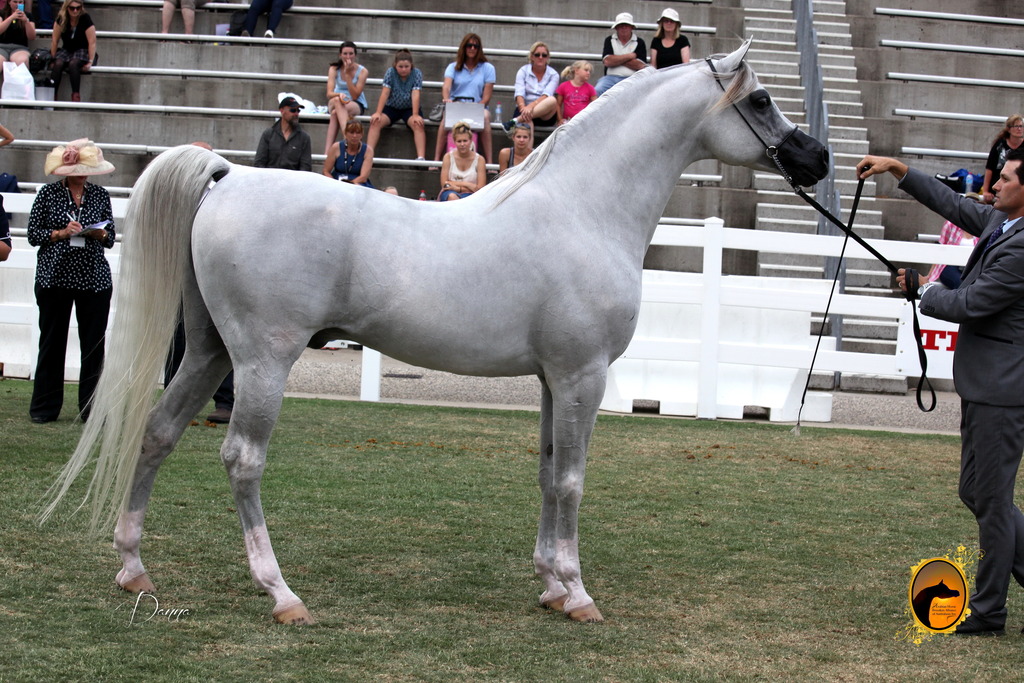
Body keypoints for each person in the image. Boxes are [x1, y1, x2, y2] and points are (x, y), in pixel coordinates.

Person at [863, 148, 1024, 637]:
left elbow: (975, 302)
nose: (994, 185)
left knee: (993, 502)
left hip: (1003, 390)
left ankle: (990, 611)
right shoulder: (1006, 224)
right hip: (986, 383)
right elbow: (956, 206)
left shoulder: (1022, 247)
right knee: (975, 492)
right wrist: (899, 170)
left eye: (1008, 179)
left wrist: (923, 289)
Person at [27, 138, 116, 423]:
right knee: (52, 342)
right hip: (54, 276)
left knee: (93, 345)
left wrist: (98, 233)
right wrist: (62, 233)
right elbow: (33, 235)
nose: (83, 172)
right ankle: (44, 408)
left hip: (93, 277)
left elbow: (110, 237)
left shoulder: (100, 195)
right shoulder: (48, 194)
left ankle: (91, 410)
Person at [433, 33, 495, 164]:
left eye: (475, 46)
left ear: (479, 49)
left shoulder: (488, 68)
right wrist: (446, 98)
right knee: (445, 119)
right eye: (469, 45)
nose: (472, 48)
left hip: (478, 105)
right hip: (457, 104)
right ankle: (436, 160)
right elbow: (446, 86)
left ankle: (489, 161)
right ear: (464, 47)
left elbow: (487, 97)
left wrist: (476, 107)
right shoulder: (453, 67)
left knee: (485, 118)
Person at [366, 48, 426, 161]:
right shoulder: (390, 72)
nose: (403, 69)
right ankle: (368, 154)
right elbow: (385, 92)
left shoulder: (417, 73)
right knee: (375, 122)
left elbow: (416, 93)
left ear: (411, 66)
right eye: (400, 66)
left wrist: (415, 114)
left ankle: (421, 157)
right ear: (395, 65)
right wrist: (378, 112)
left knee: (418, 124)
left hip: (409, 108)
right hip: (392, 107)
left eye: (406, 67)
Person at [500, 41, 558, 135]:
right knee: (526, 123)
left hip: (544, 114)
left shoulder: (553, 74)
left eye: (544, 55)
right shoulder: (523, 71)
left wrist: (530, 107)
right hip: (524, 108)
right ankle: (530, 150)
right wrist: (523, 108)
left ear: (547, 58)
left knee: (552, 100)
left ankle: (515, 121)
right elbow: (519, 92)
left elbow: (546, 94)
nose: (540, 57)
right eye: (537, 54)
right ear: (531, 56)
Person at [324, 41, 368, 156]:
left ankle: (327, 152)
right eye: (345, 54)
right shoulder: (334, 69)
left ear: (355, 55)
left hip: (354, 102)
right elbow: (329, 93)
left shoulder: (362, 71)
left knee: (335, 114)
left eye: (351, 54)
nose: (348, 57)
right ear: (340, 55)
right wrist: (339, 95)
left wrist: (348, 75)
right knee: (338, 102)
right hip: (336, 99)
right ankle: (347, 137)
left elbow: (355, 95)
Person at [49, 0, 95, 102]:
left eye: (78, 8)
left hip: (81, 49)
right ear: (66, 8)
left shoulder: (85, 18)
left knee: (73, 64)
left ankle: (75, 95)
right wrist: (52, 58)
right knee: (58, 63)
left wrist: (90, 61)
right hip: (67, 49)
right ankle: (52, 95)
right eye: (72, 8)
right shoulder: (61, 19)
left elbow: (92, 42)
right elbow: (55, 41)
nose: (75, 11)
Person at [595, 12, 647, 96]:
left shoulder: (640, 42)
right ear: (616, 27)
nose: (624, 28)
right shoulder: (609, 40)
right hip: (610, 78)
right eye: (621, 25)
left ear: (631, 27)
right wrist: (629, 56)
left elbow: (640, 66)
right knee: (597, 90)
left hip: (632, 78)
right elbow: (607, 62)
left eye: (626, 25)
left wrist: (616, 59)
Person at [255, 96, 312, 171]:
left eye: (298, 111)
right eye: (292, 110)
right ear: (282, 111)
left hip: (293, 180)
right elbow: (259, 163)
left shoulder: (304, 138)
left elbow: (305, 168)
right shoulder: (268, 134)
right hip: (271, 179)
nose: (296, 114)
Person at [981, 114, 1023, 204]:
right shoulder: (999, 144)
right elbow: (989, 168)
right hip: (997, 187)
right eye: (1016, 126)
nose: (1019, 129)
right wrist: (985, 191)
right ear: (1008, 129)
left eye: (1021, 126)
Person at [438, 121, 485, 201]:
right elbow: (445, 184)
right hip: (450, 193)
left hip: (472, 195)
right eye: (459, 141)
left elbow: (480, 188)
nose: (462, 144)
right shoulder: (448, 157)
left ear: (470, 140)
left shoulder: (480, 159)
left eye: (465, 141)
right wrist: (470, 185)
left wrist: (456, 186)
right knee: (452, 197)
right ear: (454, 141)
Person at [323, 119, 374, 187]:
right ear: (345, 133)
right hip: (337, 181)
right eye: (351, 132)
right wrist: (333, 183)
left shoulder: (368, 150)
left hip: (358, 182)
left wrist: (349, 184)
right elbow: (326, 171)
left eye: (358, 133)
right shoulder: (336, 147)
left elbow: (363, 177)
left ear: (362, 134)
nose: (354, 136)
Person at [555, 60, 597, 126]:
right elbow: (558, 105)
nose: (588, 73)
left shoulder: (590, 88)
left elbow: (596, 105)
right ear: (576, 71)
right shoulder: (563, 86)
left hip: (583, 121)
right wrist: (560, 119)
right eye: (586, 70)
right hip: (568, 121)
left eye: (589, 71)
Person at [0, 0, 36, 70]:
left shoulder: (28, 15)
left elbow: (32, 37)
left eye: (20, 2)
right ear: (9, 2)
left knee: (21, 62)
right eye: (15, 2)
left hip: (20, 48)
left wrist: (26, 21)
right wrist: (11, 18)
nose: (17, 4)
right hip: (1, 47)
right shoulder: (2, 13)